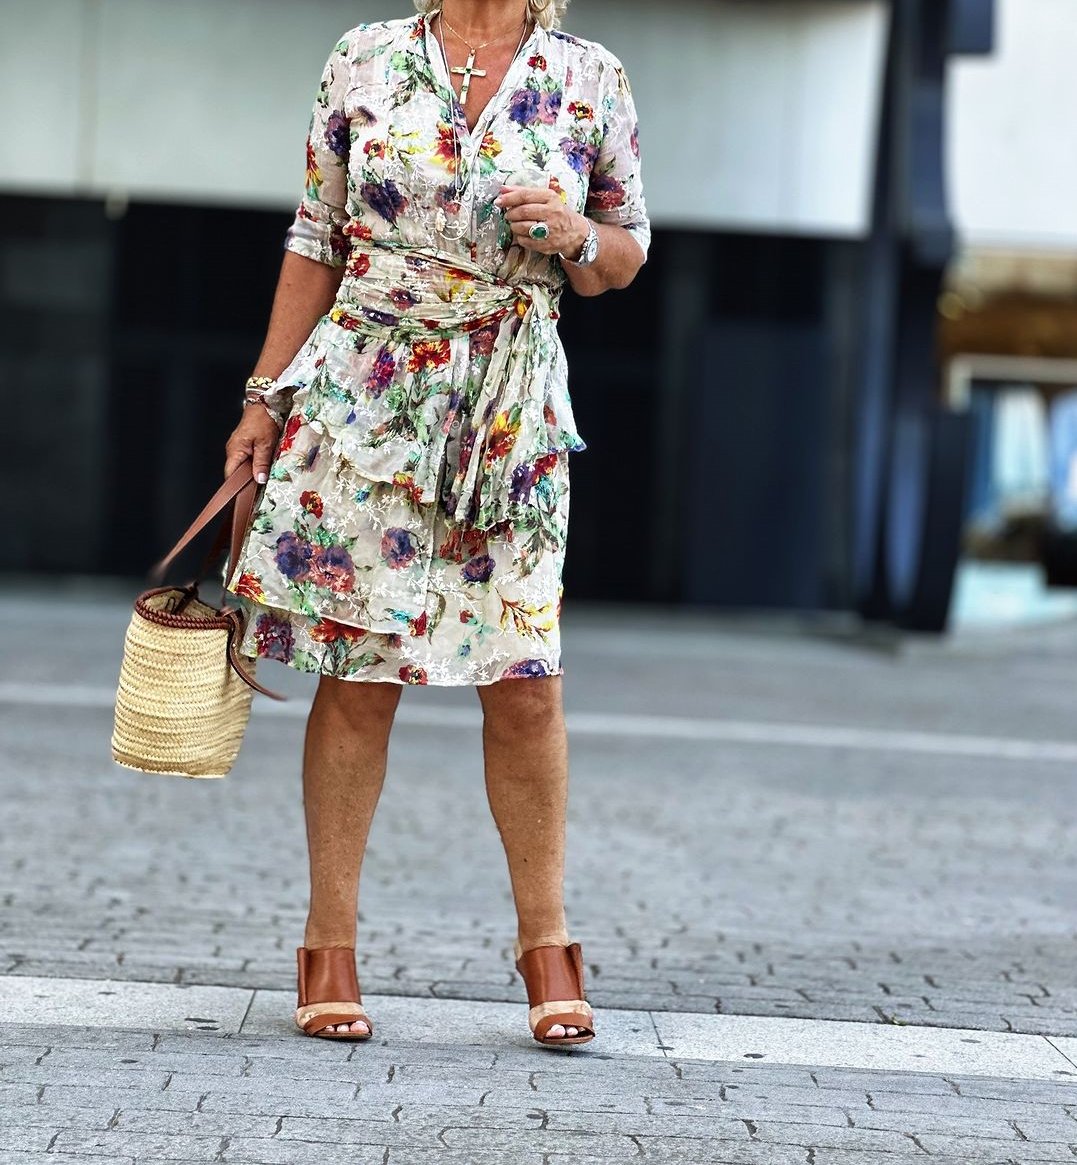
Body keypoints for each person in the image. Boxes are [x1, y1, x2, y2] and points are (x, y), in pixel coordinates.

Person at [221, 0, 649, 1047]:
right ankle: (330, 944)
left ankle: (546, 944)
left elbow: (624, 255)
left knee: (527, 684)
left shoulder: (590, 75)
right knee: (359, 681)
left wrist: (577, 232)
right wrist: (264, 396)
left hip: (508, 414)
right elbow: (317, 237)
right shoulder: (362, 58)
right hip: (365, 400)